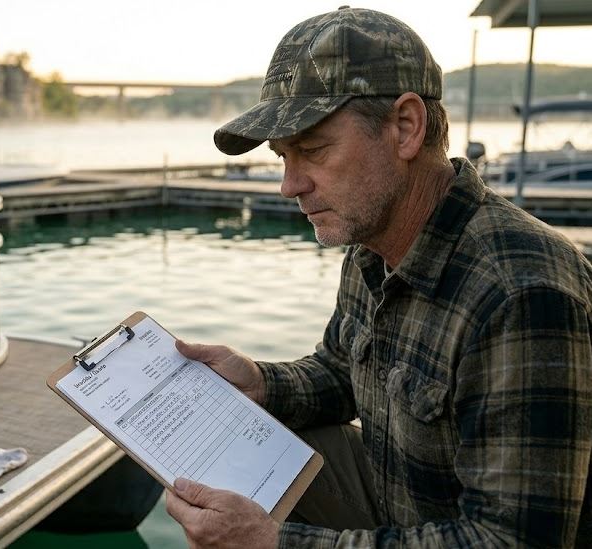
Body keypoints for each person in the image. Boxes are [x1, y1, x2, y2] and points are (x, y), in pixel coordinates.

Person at [166, 7, 592, 548]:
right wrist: (259, 382)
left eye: (314, 150)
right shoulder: (372, 245)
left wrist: (277, 544)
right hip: (403, 508)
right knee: (251, 443)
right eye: (282, 157)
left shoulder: (523, 293)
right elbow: (343, 371)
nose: (289, 185)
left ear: (406, 127)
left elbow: (512, 541)